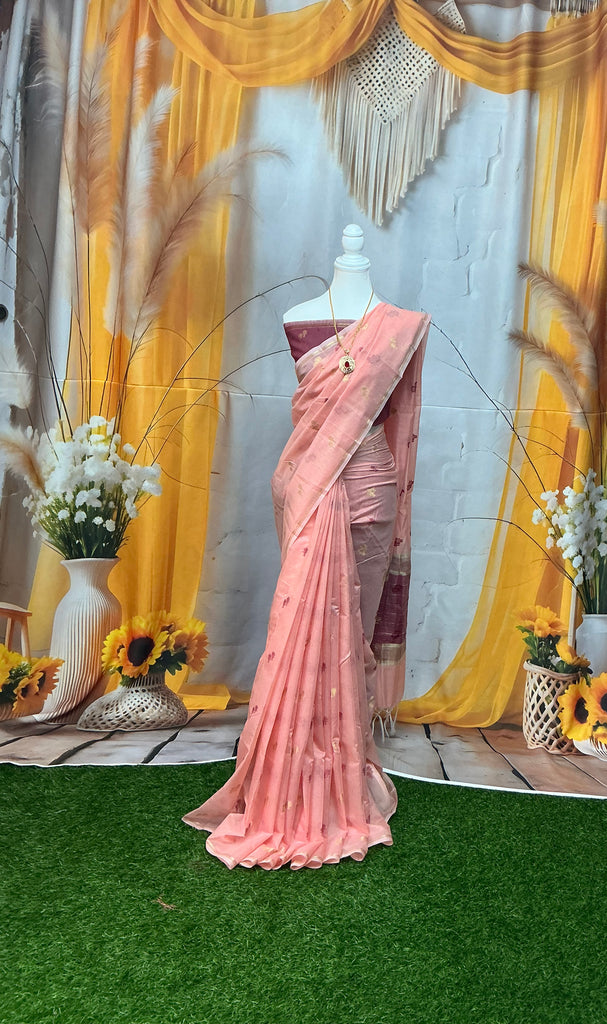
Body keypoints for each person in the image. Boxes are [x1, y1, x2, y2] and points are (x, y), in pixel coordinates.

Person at [183, 226, 430, 869]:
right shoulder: (298, 316)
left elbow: (400, 422)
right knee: (302, 627)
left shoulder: (400, 326)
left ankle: (345, 769)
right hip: (310, 484)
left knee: (352, 639)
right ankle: (294, 772)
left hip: (370, 488)